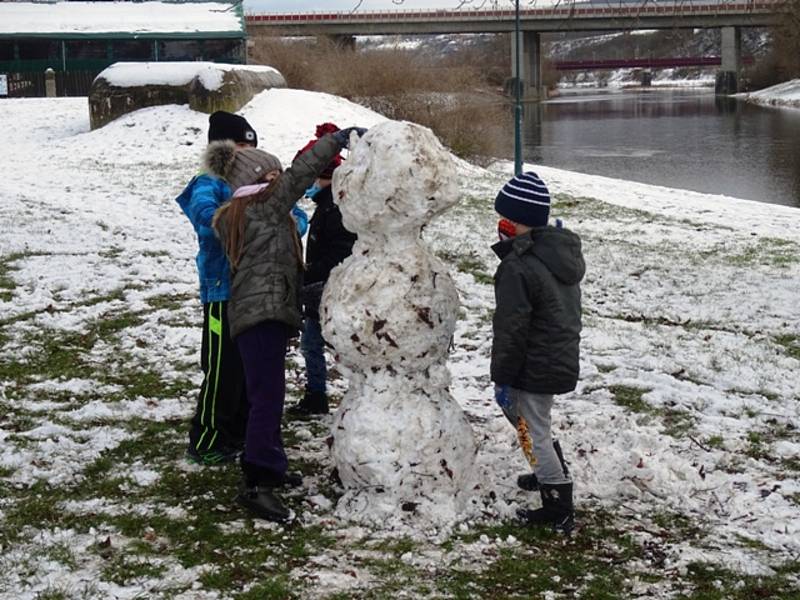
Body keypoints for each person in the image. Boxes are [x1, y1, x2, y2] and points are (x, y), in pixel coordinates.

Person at [213, 126, 367, 521]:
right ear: (253, 184)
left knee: (267, 395)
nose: (279, 181)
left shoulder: (246, 213)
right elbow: (301, 175)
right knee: (267, 399)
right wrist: (335, 140)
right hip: (260, 316)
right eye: (271, 177)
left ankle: (271, 465)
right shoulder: (261, 209)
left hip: (263, 314)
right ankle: (257, 480)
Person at [490, 171, 585, 534]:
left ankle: (557, 502)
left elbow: (511, 329)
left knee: (531, 429)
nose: (500, 225)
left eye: (506, 219)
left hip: (534, 362)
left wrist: (503, 376)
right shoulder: (554, 254)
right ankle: (547, 469)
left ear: (515, 223)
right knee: (533, 423)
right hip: (555, 356)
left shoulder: (519, 267)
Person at [176, 110, 259, 466]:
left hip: (252, 290)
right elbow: (206, 220)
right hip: (220, 292)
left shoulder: (256, 179)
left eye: (250, 145)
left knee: (245, 366)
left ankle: (237, 430)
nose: (245, 152)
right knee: (221, 367)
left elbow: (292, 217)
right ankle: (207, 437)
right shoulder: (208, 182)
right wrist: (250, 220)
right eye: (239, 144)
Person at [289, 124, 358, 415]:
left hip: (328, 290)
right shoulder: (327, 204)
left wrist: (309, 272)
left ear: (325, 177)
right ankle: (317, 395)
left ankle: (324, 396)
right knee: (312, 344)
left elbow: (339, 254)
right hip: (321, 288)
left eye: (314, 178)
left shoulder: (335, 209)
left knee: (324, 345)